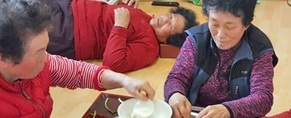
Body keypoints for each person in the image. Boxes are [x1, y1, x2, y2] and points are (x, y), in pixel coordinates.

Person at [0, 0, 156, 118]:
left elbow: (79, 72)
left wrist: (125, 81)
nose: (48, 57)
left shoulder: (36, 64)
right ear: (4, 59)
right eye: (40, 52)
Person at [164, 0, 278, 118]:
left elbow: (263, 98)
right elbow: (176, 77)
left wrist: (227, 109)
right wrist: (175, 95)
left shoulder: (259, 49)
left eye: (230, 27)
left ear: (246, 24)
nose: (220, 35)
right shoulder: (196, 39)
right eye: (214, 23)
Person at [45, 0, 199, 72]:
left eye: (169, 26)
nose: (164, 19)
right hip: (70, 7)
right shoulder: (146, 17)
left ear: (167, 40)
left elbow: (113, 64)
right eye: (170, 17)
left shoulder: (149, 47)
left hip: (69, 32)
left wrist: (120, 25)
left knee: (23, 22)